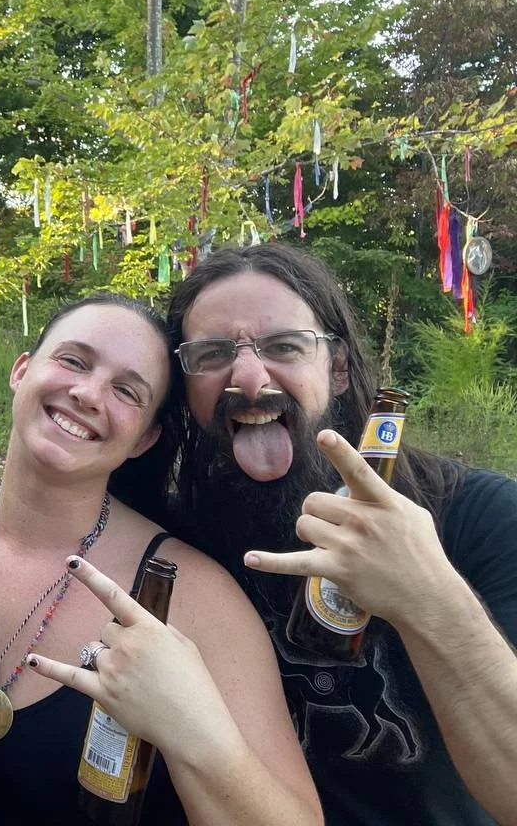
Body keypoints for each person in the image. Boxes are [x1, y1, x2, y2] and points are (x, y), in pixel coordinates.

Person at [0, 293, 322, 825]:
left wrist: (193, 728)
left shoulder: (190, 597)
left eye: (126, 390)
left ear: (144, 439)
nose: (86, 393)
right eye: (73, 361)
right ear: (22, 371)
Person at [158, 243, 517, 825]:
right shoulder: (173, 537)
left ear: (339, 367)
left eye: (284, 347)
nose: (249, 379)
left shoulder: (480, 516)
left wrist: (430, 598)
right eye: (213, 353)